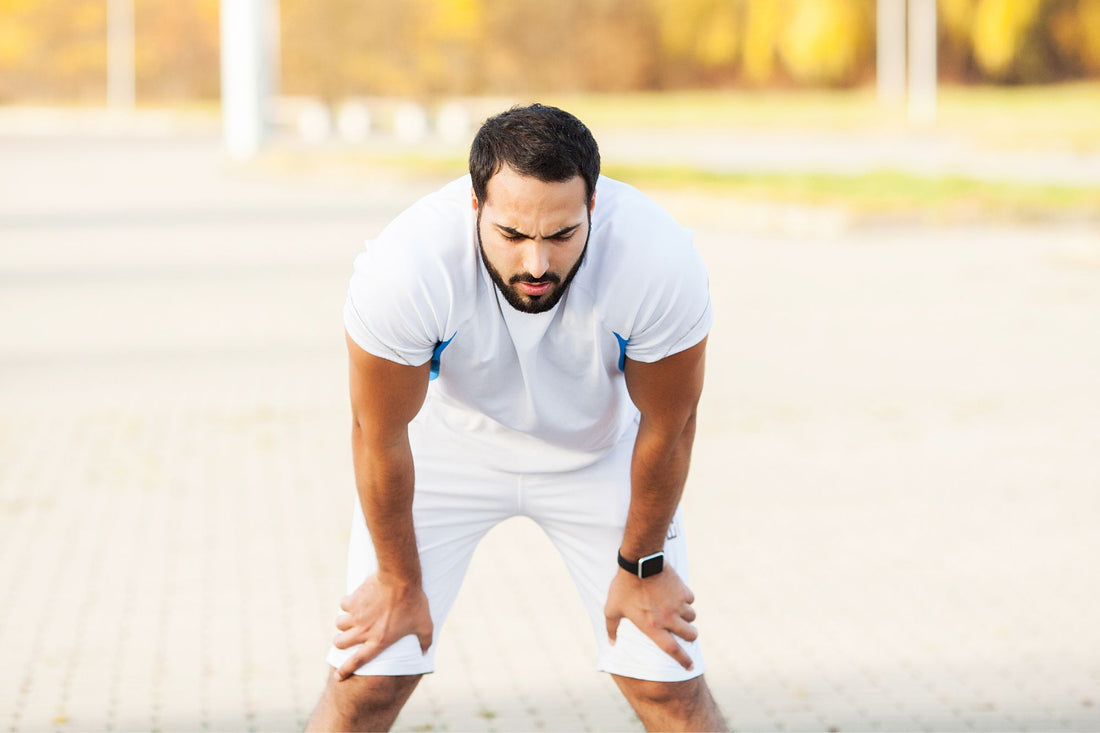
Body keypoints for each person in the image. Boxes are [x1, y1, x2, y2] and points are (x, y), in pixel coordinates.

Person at [306, 104, 726, 732]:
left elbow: (670, 426)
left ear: (593, 209)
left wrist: (642, 567)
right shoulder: (406, 271)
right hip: (450, 447)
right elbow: (378, 433)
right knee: (369, 678)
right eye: (513, 235)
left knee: (665, 685)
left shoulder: (657, 262)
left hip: (599, 453)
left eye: (561, 236)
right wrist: (397, 578)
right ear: (475, 207)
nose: (536, 265)